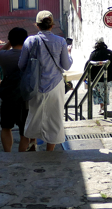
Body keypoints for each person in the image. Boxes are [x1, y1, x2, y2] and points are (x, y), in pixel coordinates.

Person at [19, 10, 73, 151]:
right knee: (54, 118)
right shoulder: (60, 41)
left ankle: (32, 143)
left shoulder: (30, 41)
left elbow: (21, 65)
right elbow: (66, 65)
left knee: (34, 115)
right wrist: (69, 55)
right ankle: (50, 151)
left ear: (37, 25)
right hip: (55, 85)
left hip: (34, 85)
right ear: (52, 25)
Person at [0, 27, 32, 152]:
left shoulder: (3, 56)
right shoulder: (30, 56)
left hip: (8, 96)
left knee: (6, 127)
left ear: (10, 40)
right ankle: (21, 155)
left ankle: (7, 153)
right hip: (25, 97)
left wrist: (8, 43)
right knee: (24, 132)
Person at [86, 38, 112, 115]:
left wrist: (86, 76)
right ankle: (103, 107)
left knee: (98, 93)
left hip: (96, 78)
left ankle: (102, 107)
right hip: (107, 77)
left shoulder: (93, 54)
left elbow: (88, 65)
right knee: (106, 92)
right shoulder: (109, 53)